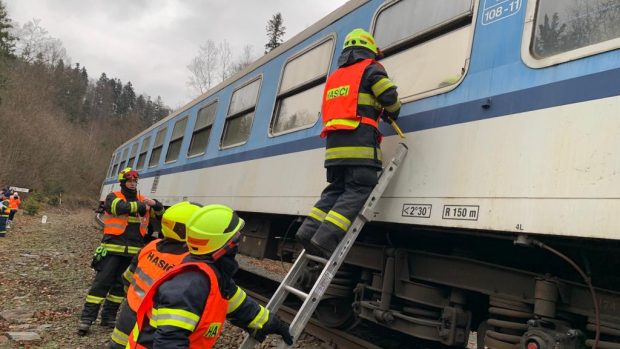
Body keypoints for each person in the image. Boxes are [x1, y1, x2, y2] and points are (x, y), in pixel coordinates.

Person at [295, 28, 401, 258]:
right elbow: (389, 96)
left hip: (334, 150)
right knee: (359, 189)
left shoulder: (335, 78)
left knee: (335, 190)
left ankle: (307, 231)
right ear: (369, 51)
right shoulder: (370, 68)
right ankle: (325, 239)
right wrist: (392, 112)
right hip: (360, 146)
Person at [126, 204, 293, 348]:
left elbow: (236, 302)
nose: (239, 239)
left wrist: (269, 323)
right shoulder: (190, 284)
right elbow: (168, 342)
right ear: (225, 245)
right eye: (236, 236)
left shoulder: (212, 273)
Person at [78, 167, 164, 336]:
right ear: (123, 182)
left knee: (119, 288)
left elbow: (161, 215)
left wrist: (156, 204)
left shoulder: (144, 200)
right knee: (100, 285)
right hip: (112, 250)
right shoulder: (114, 197)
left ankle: (108, 318)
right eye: (129, 181)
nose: (132, 184)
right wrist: (141, 205)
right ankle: (86, 319)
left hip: (132, 253)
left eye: (134, 181)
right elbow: (118, 207)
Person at [108, 201, 198, 349]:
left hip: (129, 311)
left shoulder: (151, 246)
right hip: (149, 323)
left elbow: (127, 278)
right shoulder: (187, 261)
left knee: (117, 344)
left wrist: (132, 298)